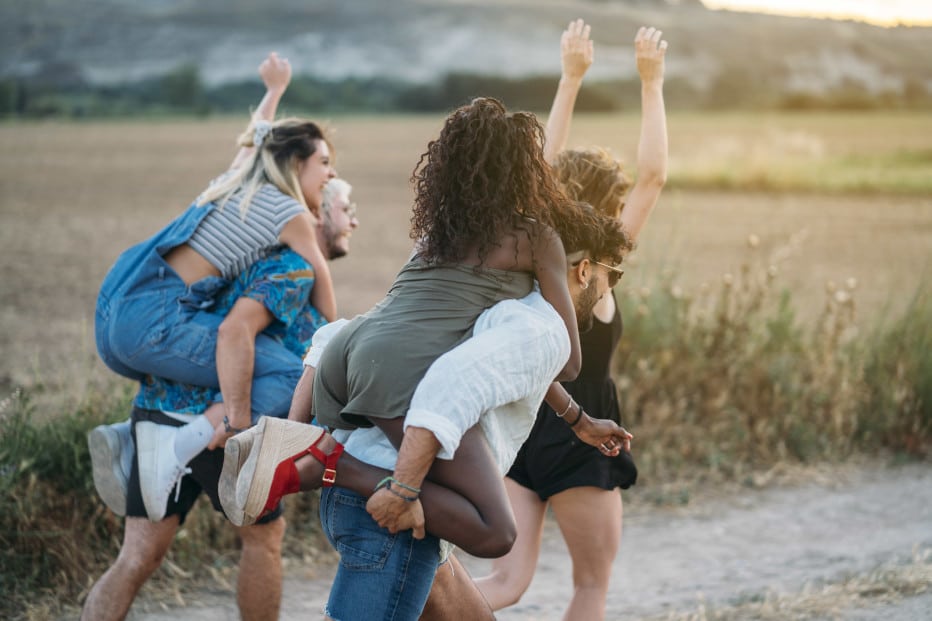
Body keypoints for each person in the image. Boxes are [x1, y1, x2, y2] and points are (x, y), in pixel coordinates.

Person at [221, 199, 634, 620]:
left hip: (408, 498)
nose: (608, 286)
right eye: (611, 275)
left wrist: (578, 420)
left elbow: (341, 335)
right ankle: (326, 461)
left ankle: (318, 457)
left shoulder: (480, 295)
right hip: (392, 497)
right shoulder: (533, 322)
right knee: (497, 533)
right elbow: (460, 381)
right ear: (584, 270)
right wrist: (400, 487)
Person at [81, 177, 359, 621]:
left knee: (136, 558)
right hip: (224, 427)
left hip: (159, 406)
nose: (355, 220)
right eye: (347, 208)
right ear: (319, 214)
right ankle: (183, 440)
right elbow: (235, 333)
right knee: (264, 539)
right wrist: (235, 420)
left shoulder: (263, 258)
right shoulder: (291, 268)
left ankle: (143, 440)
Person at [90, 52, 341, 521]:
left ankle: (134, 434)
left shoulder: (236, 181)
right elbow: (321, 278)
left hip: (116, 315)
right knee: (289, 373)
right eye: (323, 163)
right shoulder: (288, 212)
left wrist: (273, 91)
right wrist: (333, 337)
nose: (329, 176)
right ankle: (174, 448)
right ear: (294, 164)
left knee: (219, 363)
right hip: (153, 321)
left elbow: (254, 139)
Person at [472, 22, 669, 620]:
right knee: (589, 587)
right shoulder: (599, 265)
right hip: (583, 433)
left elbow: (540, 163)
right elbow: (654, 176)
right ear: (609, 206)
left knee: (506, 581)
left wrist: (570, 78)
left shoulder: (530, 254)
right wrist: (652, 81)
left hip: (519, 425)